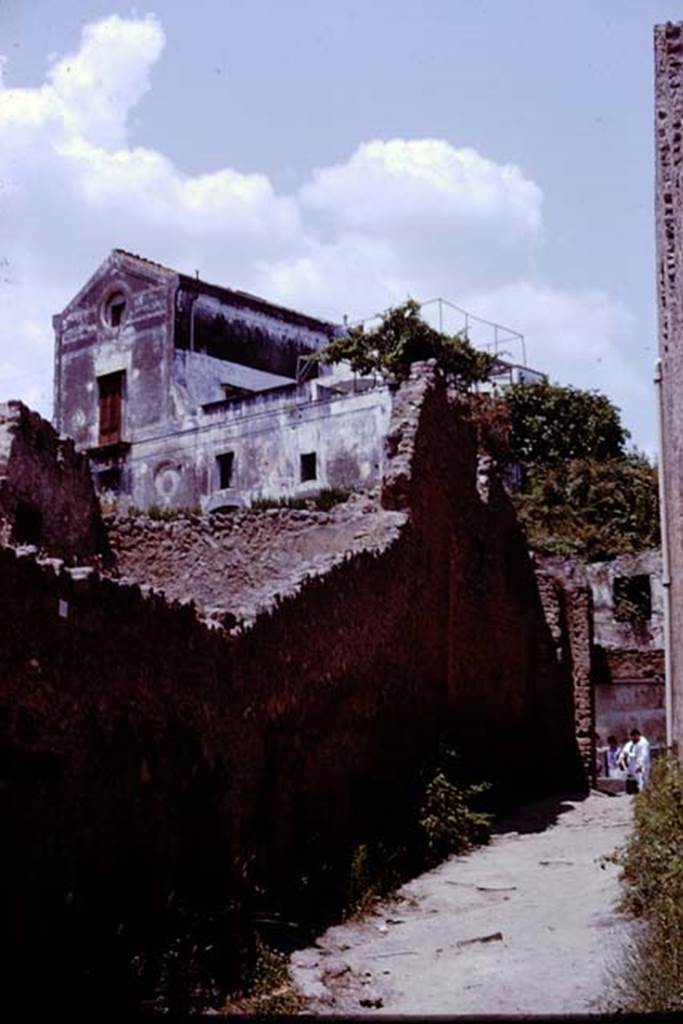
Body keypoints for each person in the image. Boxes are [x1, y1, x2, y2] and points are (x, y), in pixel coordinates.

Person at [618, 728, 651, 793]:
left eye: (633, 737)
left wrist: (640, 765)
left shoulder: (644, 743)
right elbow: (624, 752)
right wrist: (621, 759)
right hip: (631, 767)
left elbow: (644, 756)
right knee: (632, 782)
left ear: (637, 735)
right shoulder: (630, 744)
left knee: (642, 782)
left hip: (641, 766)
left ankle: (643, 794)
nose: (632, 739)